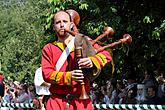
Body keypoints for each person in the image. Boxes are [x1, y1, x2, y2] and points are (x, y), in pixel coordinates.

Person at [41, 10, 112, 110]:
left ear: (71, 24)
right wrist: (69, 76)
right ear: (53, 27)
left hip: (81, 103)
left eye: (65, 21)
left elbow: (106, 54)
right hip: (56, 103)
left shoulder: (82, 40)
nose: (62, 25)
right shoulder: (48, 48)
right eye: (58, 22)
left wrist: (92, 61)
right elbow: (47, 74)